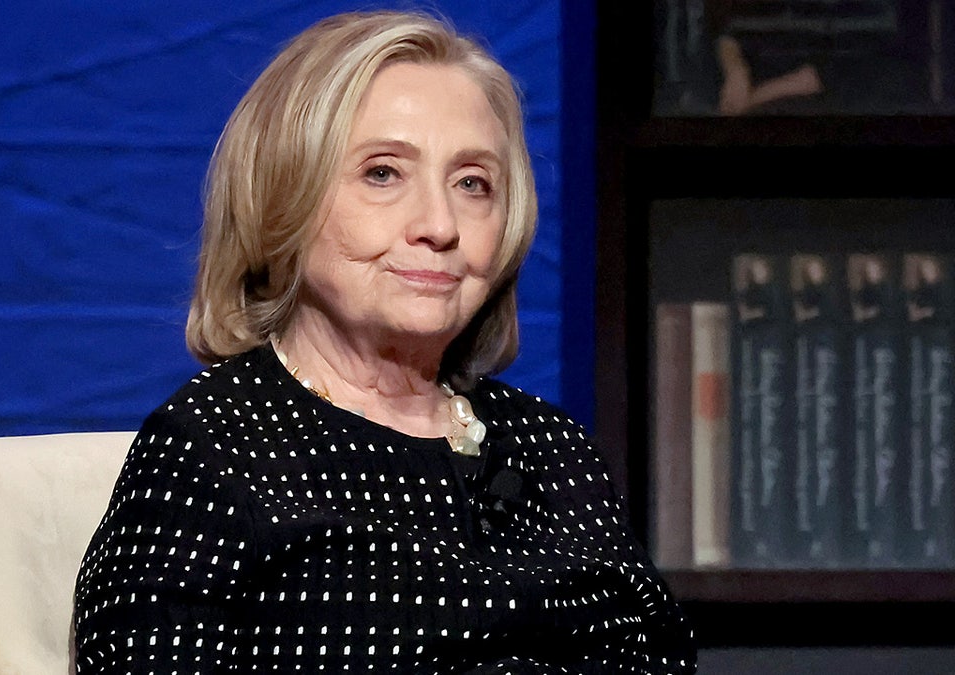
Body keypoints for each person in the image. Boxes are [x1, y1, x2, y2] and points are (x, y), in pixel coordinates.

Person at [73, 10, 696, 673]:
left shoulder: (556, 450)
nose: (439, 224)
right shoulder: (211, 450)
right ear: (285, 195)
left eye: (472, 184)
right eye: (383, 173)